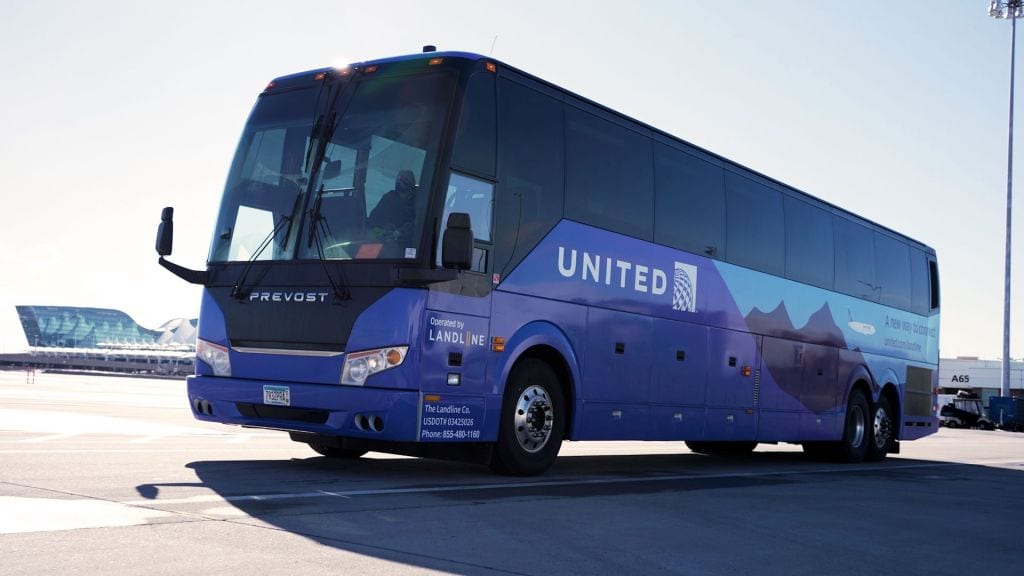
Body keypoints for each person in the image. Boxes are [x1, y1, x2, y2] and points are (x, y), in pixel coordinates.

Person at [367, 170, 417, 245]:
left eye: (406, 189)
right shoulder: (388, 199)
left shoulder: (420, 202)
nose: (404, 195)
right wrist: (384, 229)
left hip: (408, 246)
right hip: (385, 241)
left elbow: (418, 227)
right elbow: (372, 224)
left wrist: (401, 232)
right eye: (401, 190)